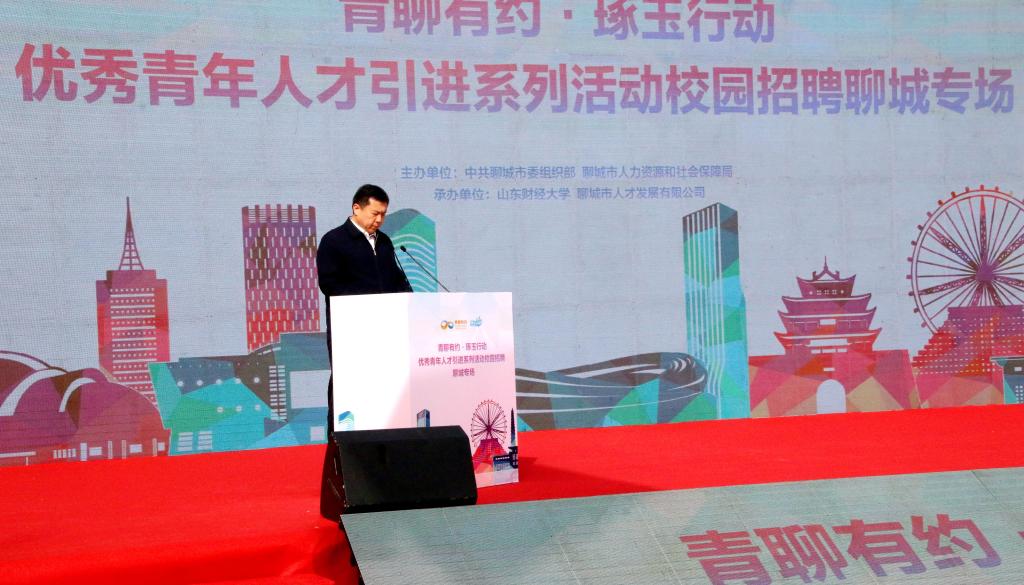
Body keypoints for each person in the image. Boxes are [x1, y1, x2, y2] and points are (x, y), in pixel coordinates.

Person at [316, 184, 412, 521]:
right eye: (375, 213)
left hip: (386, 332)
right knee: (347, 392)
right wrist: (368, 302)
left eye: (384, 214)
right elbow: (329, 283)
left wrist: (410, 300)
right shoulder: (334, 241)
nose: (379, 220)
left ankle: (383, 462)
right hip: (351, 331)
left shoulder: (384, 243)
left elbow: (396, 280)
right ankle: (339, 464)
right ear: (356, 208)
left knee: (384, 392)